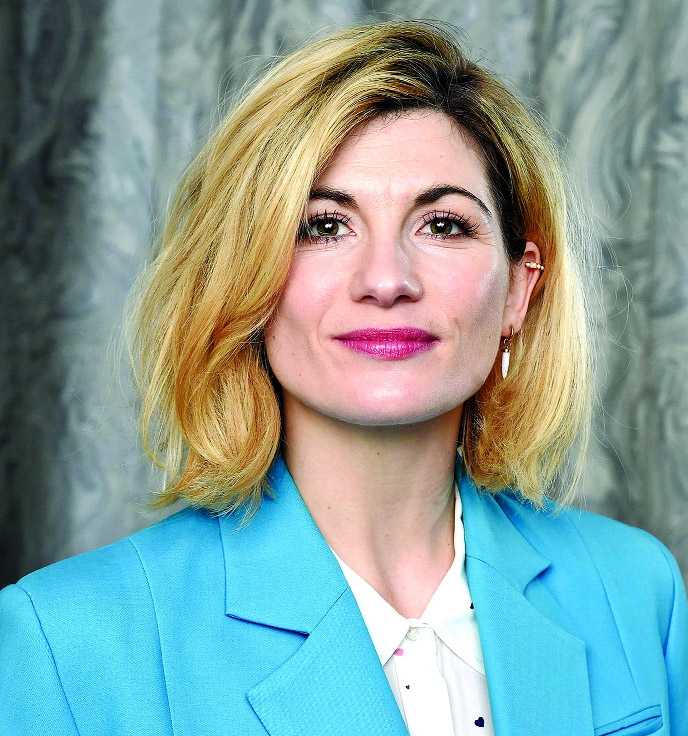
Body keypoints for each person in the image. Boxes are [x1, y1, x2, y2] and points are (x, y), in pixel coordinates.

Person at [1, 21, 686, 736]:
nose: (386, 281)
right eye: (324, 226)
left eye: (443, 225)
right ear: (244, 279)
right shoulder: (63, 642)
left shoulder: (638, 592)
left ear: (518, 289)